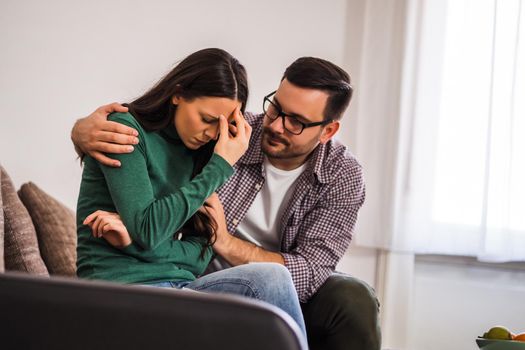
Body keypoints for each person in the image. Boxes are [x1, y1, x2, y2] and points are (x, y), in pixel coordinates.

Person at [72, 56, 381, 350]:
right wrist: (80, 132)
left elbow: (309, 273)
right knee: (272, 278)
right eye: (275, 108)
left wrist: (224, 242)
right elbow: (154, 226)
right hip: (196, 277)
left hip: (249, 285)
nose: (275, 126)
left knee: (348, 296)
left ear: (328, 130)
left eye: (296, 122)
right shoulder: (225, 135)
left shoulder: (342, 174)